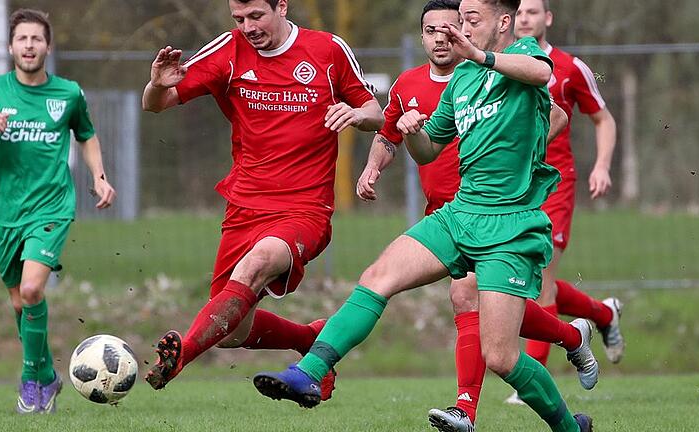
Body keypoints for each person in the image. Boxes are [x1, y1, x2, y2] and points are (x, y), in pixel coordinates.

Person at [254, 1, 592, 431]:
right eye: (459, 20)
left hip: (509, 225)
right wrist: (412, 131)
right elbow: (430, 147)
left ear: (503, 22)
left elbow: (542, 75)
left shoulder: (523, 54)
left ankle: (569, 427)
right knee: (378, 276)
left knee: (502, 357)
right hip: (458, 214)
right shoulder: (464, 78)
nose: (459, 29)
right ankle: (309, 374)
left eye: (470, 20)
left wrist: (480, 56)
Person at [356, 1, 597, 430]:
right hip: (449, 212)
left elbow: (555, 113)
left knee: (474, 307)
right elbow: (392, 132)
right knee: (481, 307)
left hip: (499, 213)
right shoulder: (412, 83)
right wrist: (374, 165)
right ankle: (573, 336)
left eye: (460, 24)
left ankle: (465, 410)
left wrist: (517, 147)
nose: (445, 36)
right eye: (434, 30)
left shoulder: (507, 64)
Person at [141, 0, 384, 399]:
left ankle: (181, 356)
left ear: (282, 6)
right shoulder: (227, 50)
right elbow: (157, 104)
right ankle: (310, 338)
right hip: (245, 206)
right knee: (231, 332)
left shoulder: (327, 50)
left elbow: (375, 110)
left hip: (305, 207)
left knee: (258, 262)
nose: (247, 27)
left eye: (256, 16)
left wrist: (357, 116)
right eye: (239, 18)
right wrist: (156, 84)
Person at [0, 9, 116, 414]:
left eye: (37, 39)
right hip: (5, 213)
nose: (29, 46)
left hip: (52, 206)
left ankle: (28, 383)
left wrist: (100, 176)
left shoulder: (68, 93)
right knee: (21, 305)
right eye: (22, 39)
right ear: (10, 47)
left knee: (33, 289)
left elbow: (86, 135)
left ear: (48, 47)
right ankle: (47, 378)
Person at [507, 0, 623, 404]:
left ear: (547, 18)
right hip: (511, 188)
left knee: (539, 280)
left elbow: (603, 118)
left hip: (554, 185)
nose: (525, 18)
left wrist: (603, 166)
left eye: (533, 12)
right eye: (519, 12)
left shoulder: (570, 67)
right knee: (532, 283)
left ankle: (530, 385)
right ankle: (604, 315)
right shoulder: (498, 64)